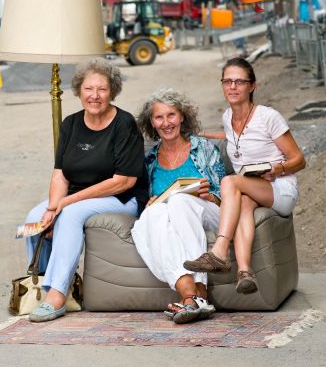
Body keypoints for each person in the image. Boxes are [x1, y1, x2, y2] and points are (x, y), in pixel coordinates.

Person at [25, 59, 148, 322]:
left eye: (102, 89)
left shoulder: (124, 124)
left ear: (112, 91)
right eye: (89, 89)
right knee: (35, 219)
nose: (95, 96)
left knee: (68, 214)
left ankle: (56, 296)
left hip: (120, 198)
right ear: (79, 91)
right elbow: (60, 173)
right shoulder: (70, 124)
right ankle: (50, 284)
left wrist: (65, 204)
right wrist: (51, 207)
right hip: (77, 196)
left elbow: (123, 180)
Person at [184, 57, 306, 294]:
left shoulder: (268, 117)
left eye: (239, 81)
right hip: (253, 188)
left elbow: (299, 160)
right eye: (227, 81)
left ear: (252, 86)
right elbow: (233, 138)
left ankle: (219, 252)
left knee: (230, 181)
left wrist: (276, 168)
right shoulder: (228, 118)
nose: (233, 87)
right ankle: (245, 273)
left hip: (280, 188)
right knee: (242, 202)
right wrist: (198, 134)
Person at [131, 89, 226, 324]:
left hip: (211, 211)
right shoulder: (150, 160)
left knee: (180, 200)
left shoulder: (202, 148)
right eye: (159, 117)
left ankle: (201, 290)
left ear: (182, 117)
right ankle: (190, 295)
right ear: (151, 123)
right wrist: (150, 203)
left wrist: (210, 196)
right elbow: (147, 199)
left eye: (171, 115)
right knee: (154, 213)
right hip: (174, 216)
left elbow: (226, 194)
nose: (166, 123)